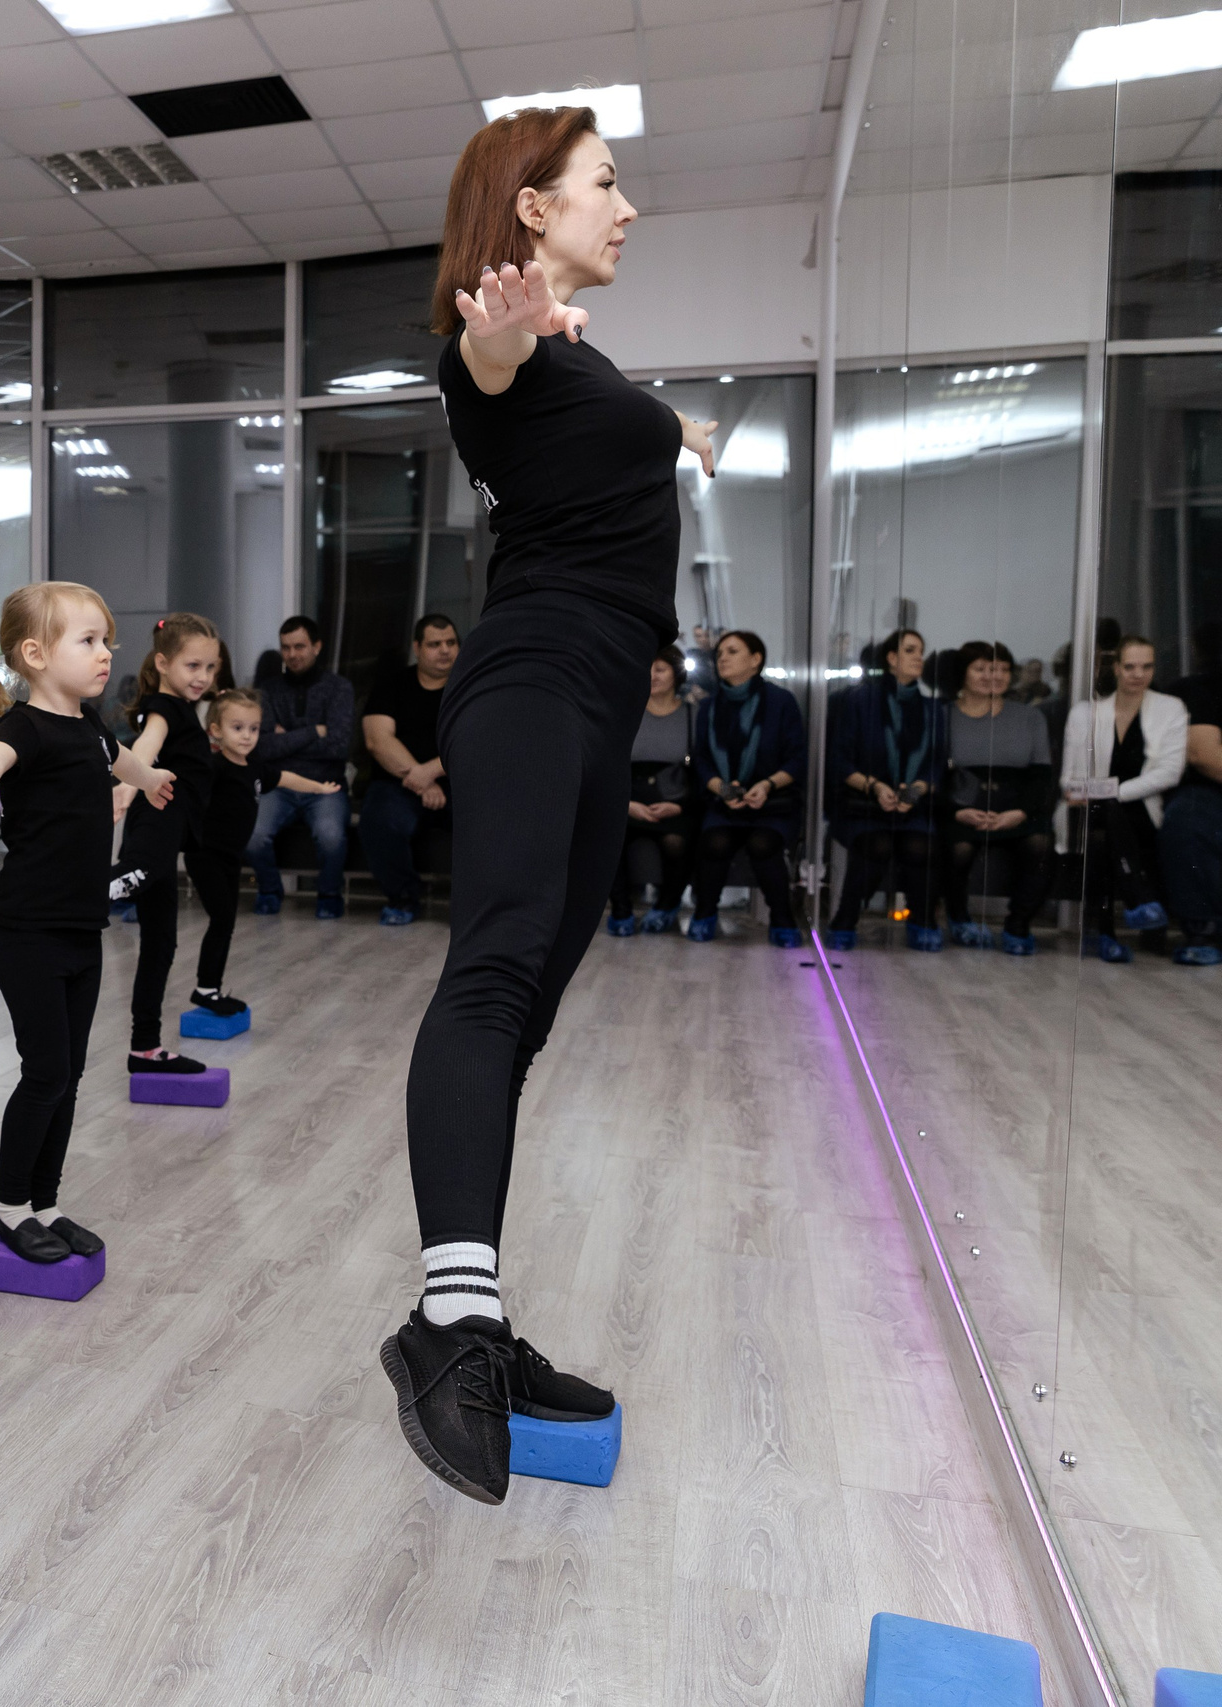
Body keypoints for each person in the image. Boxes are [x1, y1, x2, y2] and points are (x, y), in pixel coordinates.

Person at [385, 106, 719, 1505]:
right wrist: (509, 331)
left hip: (597, 690)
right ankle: (449, 1323)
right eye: (604, 183)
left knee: (528, 1005)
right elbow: (487, 361)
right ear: (531, 207)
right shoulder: (498, 340)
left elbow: (586, 415)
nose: (625, 206)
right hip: (531, 675)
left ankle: (473, 1310)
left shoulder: (575, 354)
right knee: (493, 972)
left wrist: (678, 427)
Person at [0, 581, 177, 1263]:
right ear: (35, 654)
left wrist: (147, 780)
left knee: (70, 1074)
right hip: (27, 930)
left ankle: (47, 1203)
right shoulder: (24, 728)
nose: (106, 653)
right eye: (88, 640)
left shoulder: (89, 727)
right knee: (46, 1071)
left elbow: (120, 759)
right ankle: (9, 1207)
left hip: (81, 929)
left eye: (106, 640)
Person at [108, 613, 224, 1072]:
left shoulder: (185, 711)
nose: (203, 677)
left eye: (210, 668)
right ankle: (73, 896)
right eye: (193, 666)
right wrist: (128, 784)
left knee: (161, 944)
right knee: (137, 875)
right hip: (158, 818)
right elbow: (146, 747)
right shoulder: (164, 708)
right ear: (163, 663)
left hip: (168, 828)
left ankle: (145, 1048)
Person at [185, 688, 338, 1017]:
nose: (247, 736)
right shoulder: (214, 767)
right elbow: (187, 790)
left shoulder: (254, 767)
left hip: (230, 859)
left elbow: (286, 778)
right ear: (216, 731)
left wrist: (318, 788)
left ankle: (210, 988)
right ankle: (206, 989)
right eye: (237, 728)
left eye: (253, 729)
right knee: (222, 919)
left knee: (226, 923)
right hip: (205, 856)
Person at [1061, 635, 1187, 964]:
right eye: (1130, 666)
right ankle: (1137, 899)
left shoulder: (1170, 709)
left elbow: (1170, 773)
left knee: (1104, 829)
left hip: (1141, 812)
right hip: (1088, 811)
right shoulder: (1086, 714)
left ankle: (1105, 934)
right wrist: (1095, 794)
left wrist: (1111, 792)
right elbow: (1069, 780)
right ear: (1116, 668)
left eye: (1146, 667)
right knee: (1103, 823)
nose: (1138, 674)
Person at [827, 629, 948, 951]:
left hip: (913, 806)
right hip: (862, 803)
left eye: (920, 651)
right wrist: (877, 787)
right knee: (876, 845)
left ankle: (922, 920)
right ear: (891, 658)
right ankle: (844, 920)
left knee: (921, 847)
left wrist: (916, 790)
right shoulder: (859, 701)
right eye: (910, 650)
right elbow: (839, 760)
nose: (919, 657)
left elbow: (937, 763)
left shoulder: (933, 708)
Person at [687, 629, 804, 945]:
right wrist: (723, 790)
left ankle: (782, 919)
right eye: (720, 654)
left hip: (774, 801)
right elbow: (701, 760)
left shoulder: (781, 702)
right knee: (714, 843)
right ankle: (705, 913)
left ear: (756, 659)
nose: (722, 658)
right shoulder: (709, 706)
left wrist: (766, 785)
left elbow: (797, 759)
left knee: (762, 844)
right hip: (722, 801)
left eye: (732, 651)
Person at [941, 640, 1058, 955]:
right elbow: (933, 775)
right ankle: (959, 918)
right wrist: (954, 811)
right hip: (962, 804)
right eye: (982, 669)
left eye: (1003, 670)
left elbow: (1041, 776)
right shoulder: (943, 716)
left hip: (1016, 804)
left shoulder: (1030, 717)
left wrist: (1020, 812)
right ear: (962, 673)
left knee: (1040, 845)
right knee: (958, 848)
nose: (994, 676)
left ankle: (1018, 925)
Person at [247, 615, 355, 918]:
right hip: (279, 782)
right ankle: (270, 890)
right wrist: (314, 731)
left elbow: (338, 747)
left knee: (331, 837)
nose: (292, 654)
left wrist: (285, 738)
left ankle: (329, 895)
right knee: (253, 835)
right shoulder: (267, 690)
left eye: (299, 646)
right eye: (286, 647)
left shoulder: (339, 688)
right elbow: (262, 747)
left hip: (325, 786)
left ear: (316, 646)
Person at [357, 613, 459, 926]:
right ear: (417, 647)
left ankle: (476, 907)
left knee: (491, 821)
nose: (445, 650)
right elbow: (377, 740)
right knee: (380, 820)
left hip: (458, 781)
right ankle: (402, 898)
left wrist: (432, 771)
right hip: (399, 783)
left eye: (451, 642)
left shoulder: (470, 687)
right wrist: (422, 779)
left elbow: (480, 742)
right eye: (435, 644)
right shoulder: (392, 685)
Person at [607, 644, 697, 935]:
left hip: (673, 799)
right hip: (628, 798)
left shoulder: (693, 715)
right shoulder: (625, 712)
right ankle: (620, 910)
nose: (651, 676)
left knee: (676, 841)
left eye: (659, 669)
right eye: (646, 669)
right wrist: (626, 803)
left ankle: (666, 906)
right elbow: (609, 764)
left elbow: (699, 772)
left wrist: (679, 805)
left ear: (676, 674)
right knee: (609, 836)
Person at [1159, 664, 1222, 965]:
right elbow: (1204, 755)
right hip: (1208, 790)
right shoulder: (1201, 689)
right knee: (1189, 820)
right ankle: (1203, 929)